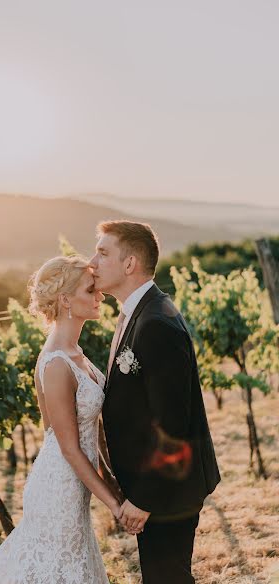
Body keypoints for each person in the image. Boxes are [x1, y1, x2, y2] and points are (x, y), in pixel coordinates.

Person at [0, 255, 125, 584]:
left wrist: (113, 481)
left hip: (73, 482)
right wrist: (113, 503)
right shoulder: (56, 363)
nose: (100, 296)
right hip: (59, 486)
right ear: (65, 299)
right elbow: (67, 447)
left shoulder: (74, 352)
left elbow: (87, 431)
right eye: (90, 290)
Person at [90, 220, 221, 584]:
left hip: (168, 491)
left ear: (130, 264)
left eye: (102, 253)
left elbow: (173, 423)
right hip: (157, 487)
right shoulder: (137, 313)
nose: (92, 262)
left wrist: (144, 498)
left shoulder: (156, 323)